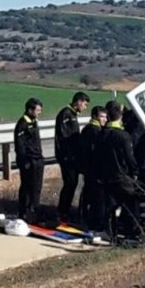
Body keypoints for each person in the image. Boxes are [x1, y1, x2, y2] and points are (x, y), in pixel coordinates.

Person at [95, 103, 144, 238]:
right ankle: (131, 234)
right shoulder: (123, 136)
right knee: (130, 205)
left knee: (109, 206)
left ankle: (110, 232)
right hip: (122, 176)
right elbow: (129, 157)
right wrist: (135, 172)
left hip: (106, 176)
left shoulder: (101, 134)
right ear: (120, 117)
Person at [54, 91, 90, 222]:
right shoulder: (66, 114)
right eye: (84, 104)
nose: (85, 107)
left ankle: (65, 211)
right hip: (67, 157)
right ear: (79, 102)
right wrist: (69, 154)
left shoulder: (73, 115)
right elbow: (65, 137)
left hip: (73, 157)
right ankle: (62, 212)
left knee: (73, 184)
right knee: (69, 184)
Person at [13, 98, 44, 224]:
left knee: (37, 188)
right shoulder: (22, 124)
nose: (39, 113)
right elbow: (20, 146)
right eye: (37, 110)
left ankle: (34, 212)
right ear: (30, 110)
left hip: (38, 160)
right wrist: (25, 162)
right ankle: (24, 213)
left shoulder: (34, 122)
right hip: (28, 162)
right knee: (27, 188)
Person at [77, 105, 107, 230]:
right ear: (94, 116)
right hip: (93, 169)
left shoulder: (88, 129)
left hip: (88, 168)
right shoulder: (94, 131)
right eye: (101, 117)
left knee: (88, 194)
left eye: (105, 117)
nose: (104, 119)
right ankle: (89, 220)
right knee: (93, 195)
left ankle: (83, 217)